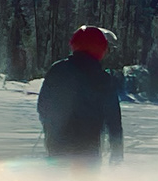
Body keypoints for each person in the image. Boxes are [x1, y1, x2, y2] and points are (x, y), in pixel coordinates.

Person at [36, 25, 124, 164]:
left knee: (57, 176)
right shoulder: (102, 79)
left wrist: (50, 128)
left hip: (57, 146)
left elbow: (43, 105)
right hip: (88, 149)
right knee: (84, 177)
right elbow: (113, 119)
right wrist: (117, 153)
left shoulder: (58, 70)